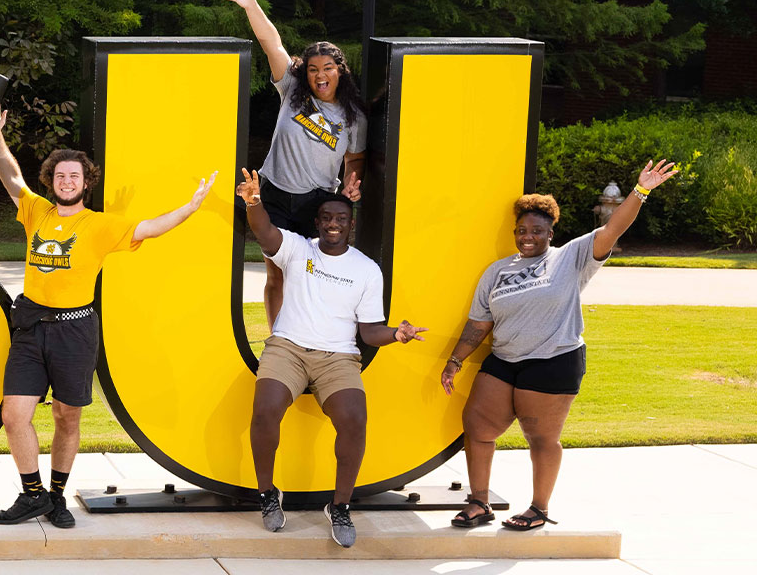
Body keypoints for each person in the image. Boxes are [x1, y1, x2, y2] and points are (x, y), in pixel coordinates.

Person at [0, 107, 216, 528]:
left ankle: (56, 497)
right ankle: (32, 494)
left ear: (85, 183)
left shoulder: (101, 225)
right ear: (51, 181)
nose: (66, 182)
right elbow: (10, 178)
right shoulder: (37, 212)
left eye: (74, 176)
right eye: (59, 176)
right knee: (14, 415)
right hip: (31, 326)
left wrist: (191, 208)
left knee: (66, 416)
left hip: (75, 329)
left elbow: (150, 227)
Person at [440, 160, 679, 531]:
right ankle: (479, 502)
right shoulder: (497, 271)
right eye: (522, 230)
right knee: (477, 425)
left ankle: (537, 508)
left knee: (540, 436)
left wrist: (641, 190)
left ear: (551, 232)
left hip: (553, 360)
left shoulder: (571, 257)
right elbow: (479, 323)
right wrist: (455, 360)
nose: (527, 236)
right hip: (504, 358)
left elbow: (613, 228)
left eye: (537, 230)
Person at [236, 169, 426, 548]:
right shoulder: (298, 248)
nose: (333, 225)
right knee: (265, 410)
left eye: (341, 219)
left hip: (337, 357)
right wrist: (254, 202)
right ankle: (267, 494)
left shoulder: (366, 270)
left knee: (355, 419)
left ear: (350, 225)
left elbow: (370, 332)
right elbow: (265, 233)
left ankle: (339, 506)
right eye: (327, 219)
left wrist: (396, 334)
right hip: (288, 347)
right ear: (317, 223)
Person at [227, 0, 369, 326]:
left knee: (306, 275)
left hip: (316, 201)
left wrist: (352, 183)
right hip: (274, 193)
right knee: (276, 273)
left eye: (328, 69)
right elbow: (271, 42)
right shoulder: (292, 90)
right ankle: (277, 339)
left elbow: (355, 159)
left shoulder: (353, 116)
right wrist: (251, 5)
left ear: (340, 72)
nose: (320, 75)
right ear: (305, 73)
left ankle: (304, 337)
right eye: (313, 69)